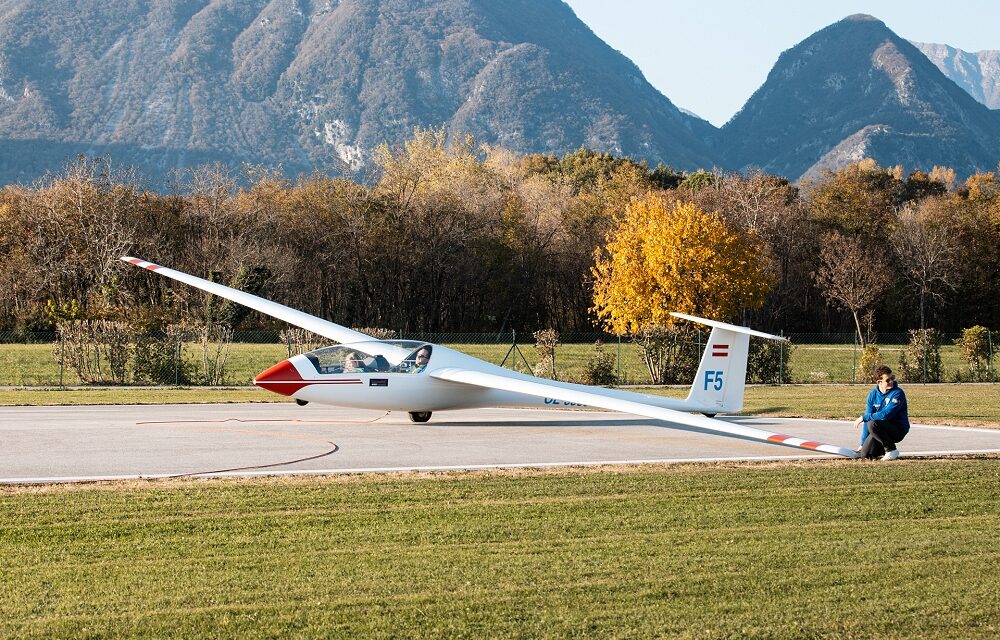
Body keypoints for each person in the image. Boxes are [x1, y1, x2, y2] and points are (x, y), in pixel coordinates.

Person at [853, 365, 910, 460]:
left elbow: (886, 415)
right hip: (880, 428)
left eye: (892, 378)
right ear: (879, 382)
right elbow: (868, 419)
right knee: (865, 454)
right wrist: (862, 443)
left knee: (873, 423)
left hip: (898, 429)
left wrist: (863, 418)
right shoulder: (872, 395)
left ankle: (891, 450)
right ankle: (880, 449)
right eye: (888, 380)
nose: (891, 381)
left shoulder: (898, 393)